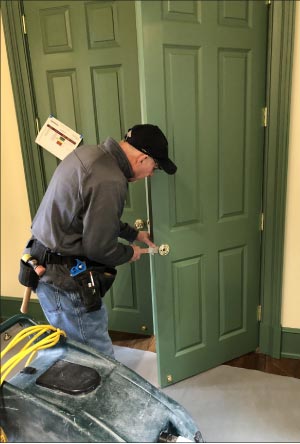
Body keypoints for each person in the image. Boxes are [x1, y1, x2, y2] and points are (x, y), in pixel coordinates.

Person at [21, 124, 177, 358]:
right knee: (95, 354)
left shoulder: (89, 155)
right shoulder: (110, 180)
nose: (152, 174)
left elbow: (88, 217)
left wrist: (133, 233)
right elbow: (99, 247)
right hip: (63, 275)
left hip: (45, 260)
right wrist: (129, 253)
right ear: (143, 158)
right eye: (154, 167)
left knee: (72, 347)